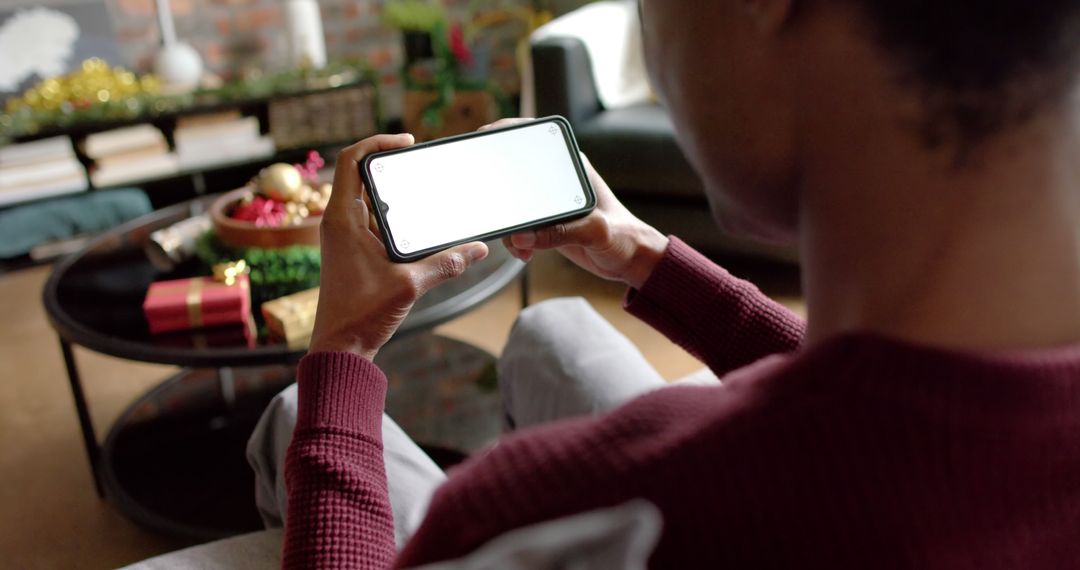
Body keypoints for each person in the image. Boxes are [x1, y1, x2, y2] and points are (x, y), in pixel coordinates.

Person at [259, 0, 1080, 567]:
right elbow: (918, 421)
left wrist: (341, 349)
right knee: (556, 332)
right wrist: (643, 255)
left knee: (299, 413)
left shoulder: (553, 515)